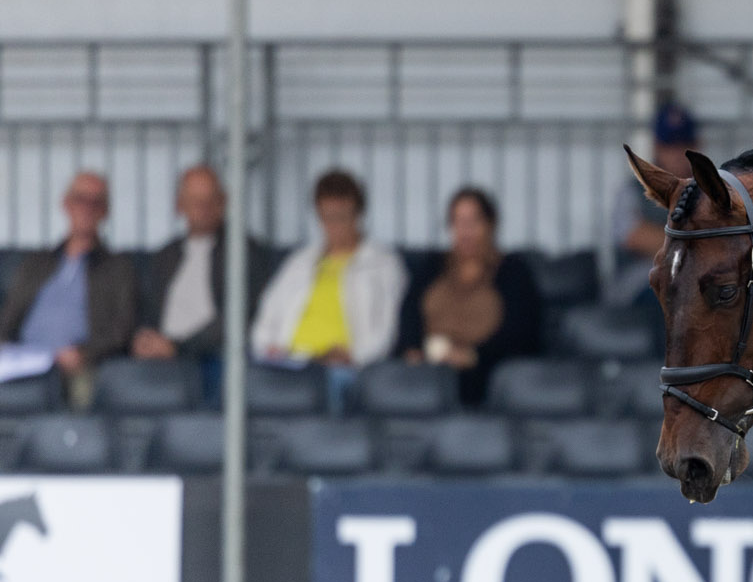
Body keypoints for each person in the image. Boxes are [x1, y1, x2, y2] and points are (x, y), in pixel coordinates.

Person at [250, 169, 407, 408]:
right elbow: (267, 316)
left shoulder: (383, 263)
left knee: (326, 388)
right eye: (326, 217)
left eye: (341, 217)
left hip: (342, 367)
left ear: (358, 214)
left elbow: (385, 330)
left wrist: (354, 355)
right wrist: (269, 347)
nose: (334, 226)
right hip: (292, 362)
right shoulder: (299, 262)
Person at [397, 186, 543, 406]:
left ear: (490, 224)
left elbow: (521, 332)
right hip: (429, 370)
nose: (466, 232)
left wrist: (473, 355)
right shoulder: (431, 266)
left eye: (474, 222)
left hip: (486, 372)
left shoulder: (513, 271)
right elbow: (409, 313)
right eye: (458, 222)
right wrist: (415, 350)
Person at [0, 171, 136, 404]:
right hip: (25, 358)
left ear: (105, 211)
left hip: (79, 364)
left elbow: (122, 328)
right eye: (80, 199)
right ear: (66, 204)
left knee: (83, 391)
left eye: (96, 202)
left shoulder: (117, 268)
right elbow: (10, 314)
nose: (87, 208)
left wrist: (84, 354)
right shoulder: (36, 263)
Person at [131, 164, 276, 374]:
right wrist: (144, 339)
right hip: (159, 359)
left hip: (211, 358)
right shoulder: (165, 256)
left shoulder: (243, 251)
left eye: (210, 200)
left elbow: (238, 315)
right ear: (180, 205)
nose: (203, 208)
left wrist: (177, 347)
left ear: (223, 202)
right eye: (195, 201)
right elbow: (146, 310)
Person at [608, 102, 701, 306]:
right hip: (640, 286)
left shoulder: (708, 191)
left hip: (696, 284)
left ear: (697, 146)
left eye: (685, 144)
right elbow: (634, 236)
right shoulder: (633, 189)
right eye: (670, 146)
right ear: (657, 147)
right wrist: (699, 245)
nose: (678, 153)